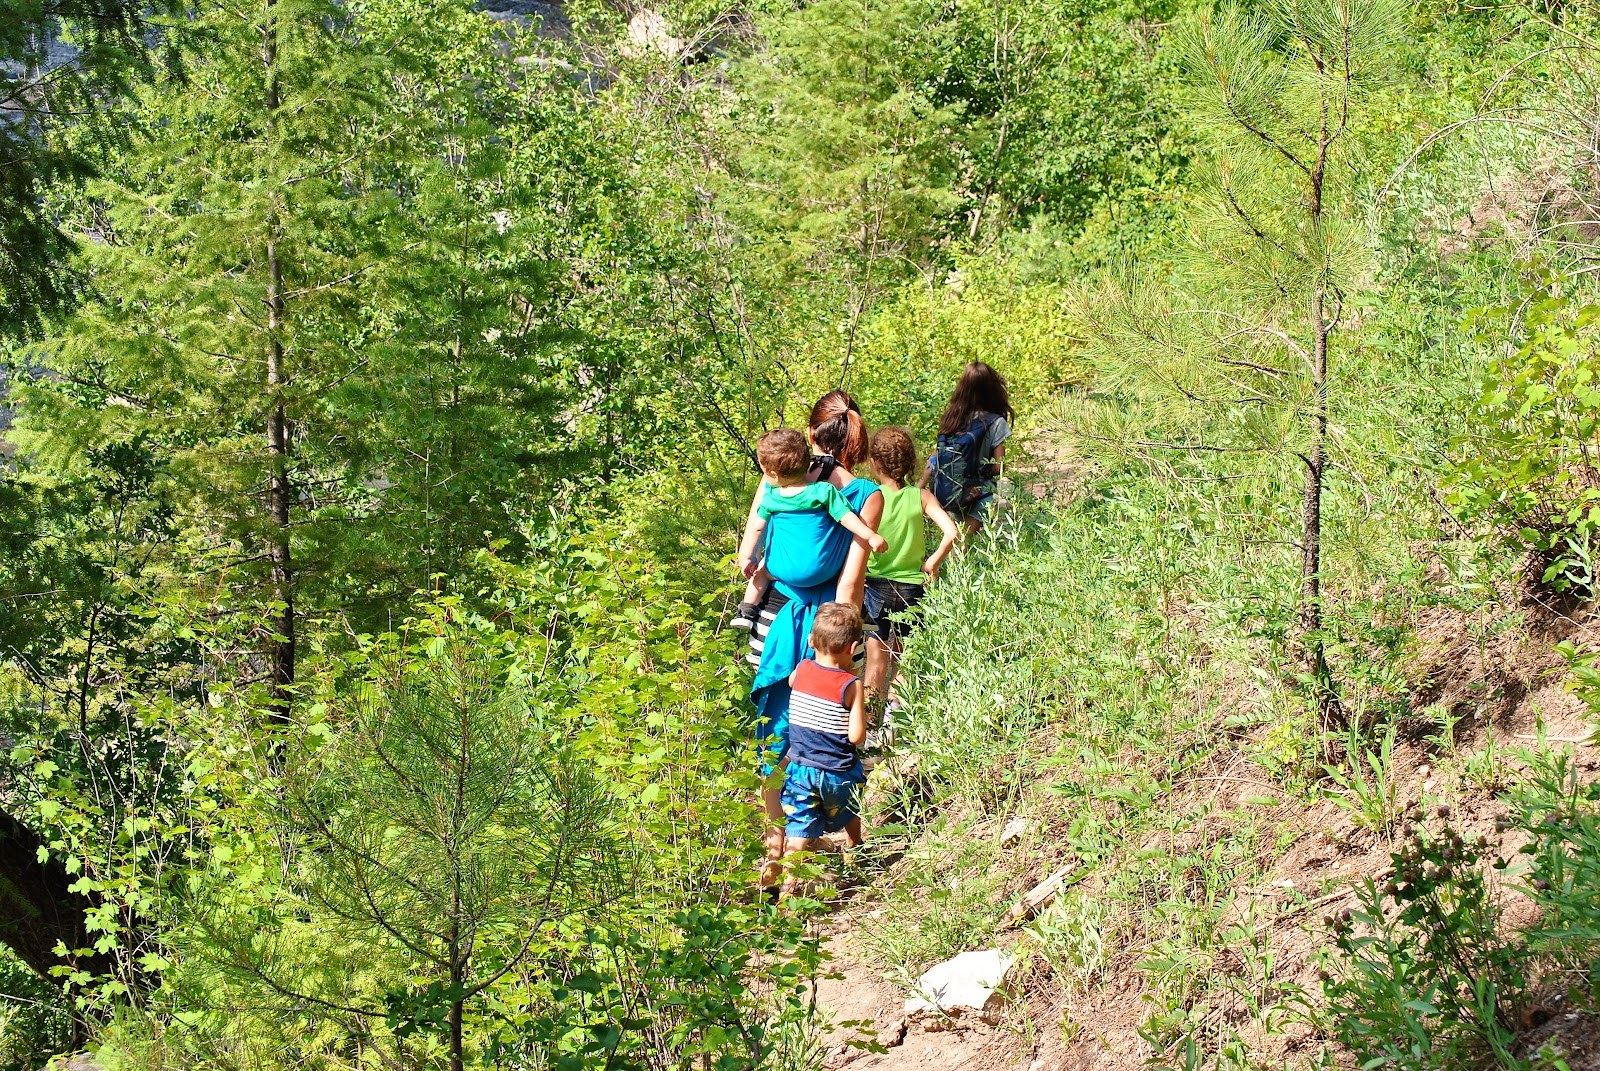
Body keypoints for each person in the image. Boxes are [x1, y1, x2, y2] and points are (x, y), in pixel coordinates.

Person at [744, 391, 882, 887]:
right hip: (827, 631)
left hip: (773, 620)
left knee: (773, 731)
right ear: (857, 441)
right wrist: (846, 655)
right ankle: (824, 838)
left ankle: (774, 851)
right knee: (822, 737)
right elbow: (849, 584)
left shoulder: (776, 479)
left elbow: (755, 539)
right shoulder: (867, 495)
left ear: (808, 437)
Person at [733, 430, 887, 629]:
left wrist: (748, 558)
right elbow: (847, 518)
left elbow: (756, 529)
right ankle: (859, 613)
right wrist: (871, 535)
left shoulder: (772, 497)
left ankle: (746, 611)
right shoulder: (824, 491)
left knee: (760, 572)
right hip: (824, 574)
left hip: (782, 572)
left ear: (773, 474)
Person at [862, 427, 961, 726]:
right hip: (912, 589)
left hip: (875, 587)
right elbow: (952, 532)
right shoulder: (921, 496)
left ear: (875, 463)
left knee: (876, 659)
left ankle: (868, 726)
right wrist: (933, 562)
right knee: (907, 656)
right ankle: (896, 721)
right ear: (909, 462)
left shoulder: (871, 497)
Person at [779, 602, 868, 892]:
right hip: (836, 773)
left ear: (811, 641)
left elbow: (792, 682)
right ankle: (854, 845)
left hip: (801, 769)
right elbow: (856, 736)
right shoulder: (851, 685)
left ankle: (788, 888)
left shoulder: (801, 670)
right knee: (851, 803)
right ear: (853, 647)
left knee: (797, 828)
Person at [922, 362, 1014, 534]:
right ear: (993, 388)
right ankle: (963, 545)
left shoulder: (952, 418)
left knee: (955, 540)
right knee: (1005, 486)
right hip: (976, 494)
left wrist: (919, 486)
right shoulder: (995, 422)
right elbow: (998, 467)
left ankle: (954, 546)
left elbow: (935, 457)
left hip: (947, 491)